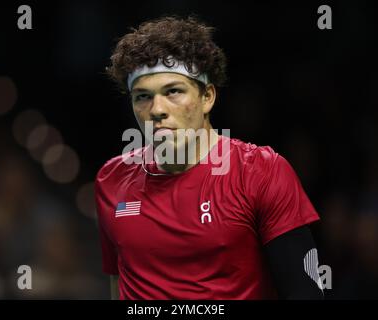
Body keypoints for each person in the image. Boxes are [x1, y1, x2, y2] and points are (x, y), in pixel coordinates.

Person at [95, 16, 323, 300]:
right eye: (142, 96)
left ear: (207, 97)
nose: (156, 109)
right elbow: (119, 286)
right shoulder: (110, 180)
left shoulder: (263, 172)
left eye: (173, 91)